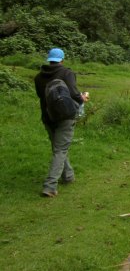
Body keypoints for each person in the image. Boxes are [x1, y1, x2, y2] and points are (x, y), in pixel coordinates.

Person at [34, 48, 90, 197]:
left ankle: (68, 176)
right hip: (65, 116)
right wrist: (82, 97)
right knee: (60, 150)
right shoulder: (67, 73)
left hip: (48, 117)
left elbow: (41, 96)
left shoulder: (39, 77)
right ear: (62, 59)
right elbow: (73, 93)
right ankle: (50, 186)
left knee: (58, 148)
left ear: (49, 59)